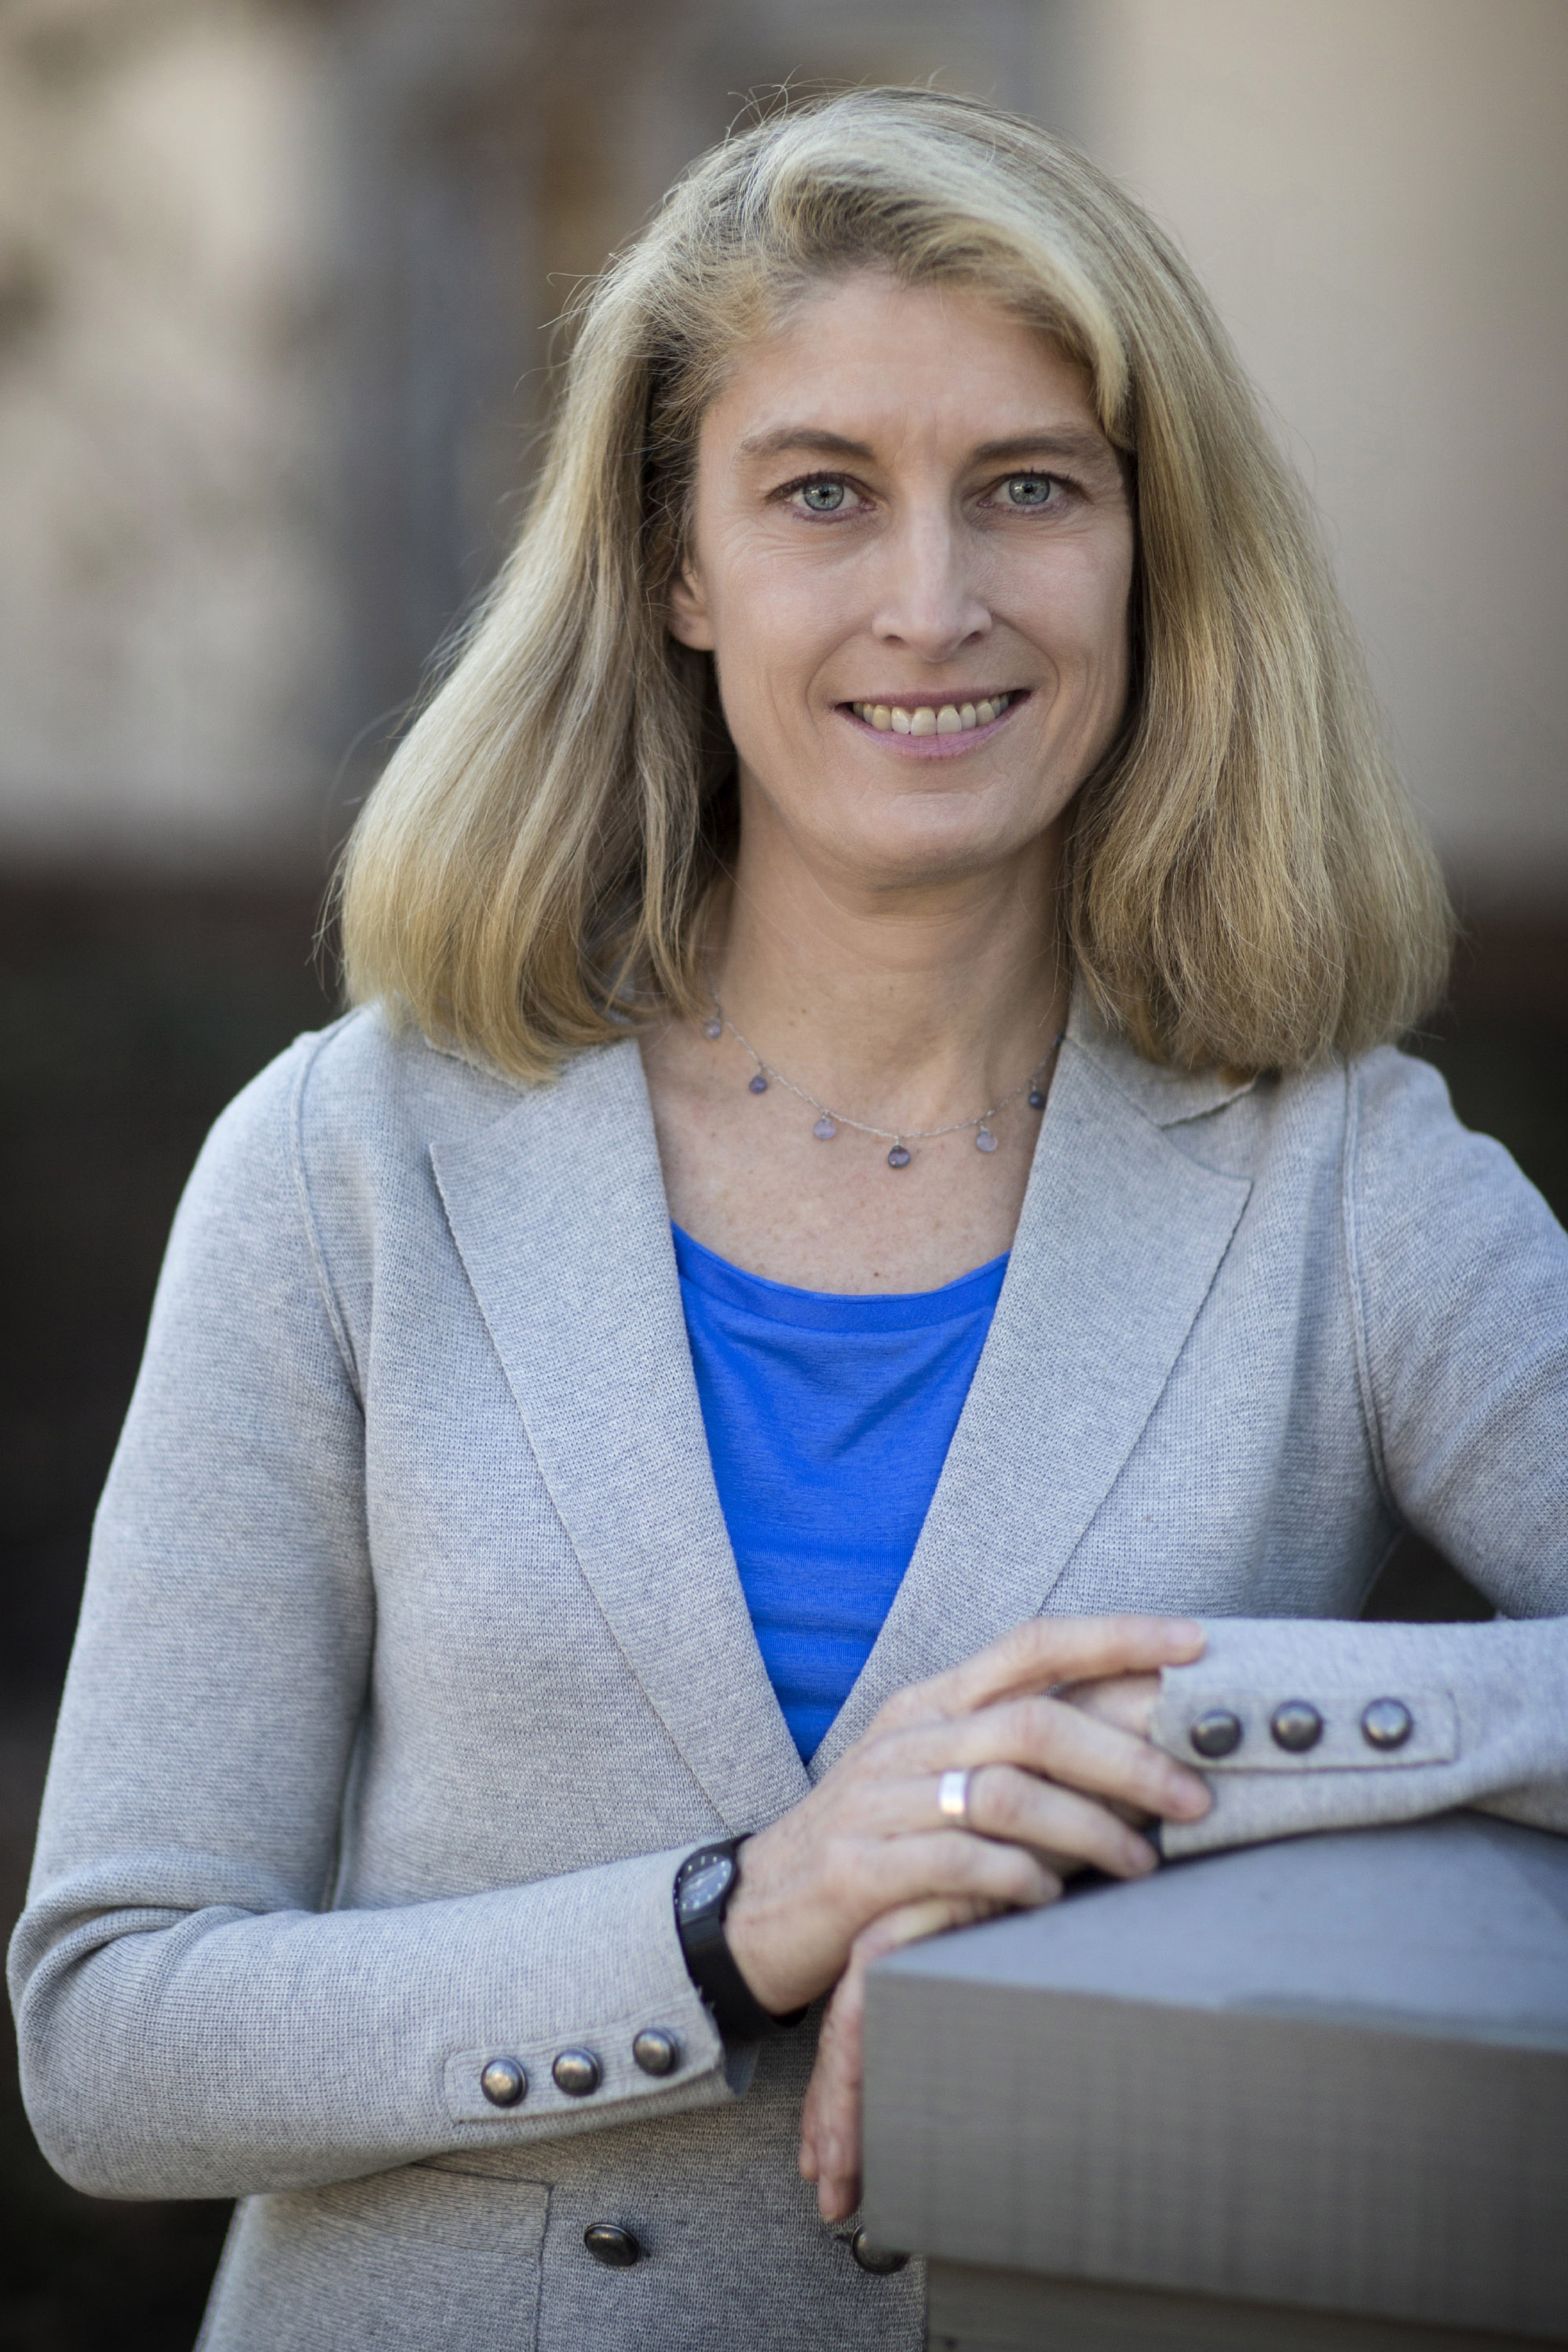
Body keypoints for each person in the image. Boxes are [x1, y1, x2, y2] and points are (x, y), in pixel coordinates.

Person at [11, 86, 1568, 2352]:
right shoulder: (351, 1160)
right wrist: (736, 1919)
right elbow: (111, 2035)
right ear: (677, 563)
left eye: (1028, 487)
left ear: (1150, 547)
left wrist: (1154, 1761)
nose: (932, 603)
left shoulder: (1346, 1177)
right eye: (823, 492)